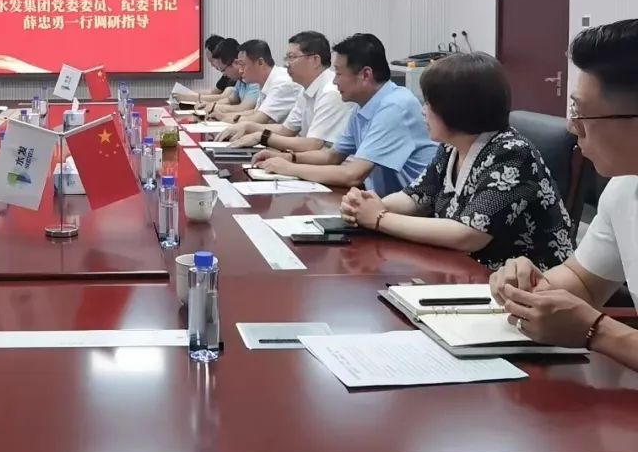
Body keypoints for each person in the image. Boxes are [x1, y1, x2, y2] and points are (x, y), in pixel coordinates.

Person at [490, 20, 638, 369]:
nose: (572, 127)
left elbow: (592, 322)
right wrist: (528, 287)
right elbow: (583, 282)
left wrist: (598, 331)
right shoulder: (625, 188)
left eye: (582, 113)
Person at [340, 52, 573, 270]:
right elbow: (417, 196)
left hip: (523, 283)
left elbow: (469, 234)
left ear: (457, 109)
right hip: (462, 269)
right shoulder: (452, 147)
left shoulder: (512, 153)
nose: (423, 111)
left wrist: (380, 218)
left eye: (430, 104)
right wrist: (367, 205)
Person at [251, 33, 436, 196]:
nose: (334, 81)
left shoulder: (394, 106)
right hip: (386, 200)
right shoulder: (362, 106)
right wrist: (289, 158)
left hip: (416, 208)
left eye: (339, 73)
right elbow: (332, 156)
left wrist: (290, 168)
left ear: (365, 75)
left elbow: (352, 175)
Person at [230, 31, 352, 153]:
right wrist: (249, 127)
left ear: (315, 60)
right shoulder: (306, 88)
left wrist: (262, 137)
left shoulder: (331, 92)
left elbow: (312, 144)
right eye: (286, 58)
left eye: (292, 57)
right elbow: (286, 130)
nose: (286, 64)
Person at [217, 39, 302, 135]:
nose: (240, 71)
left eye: (243, 65)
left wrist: (229, 119)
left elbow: (258, 119)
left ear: (260, 62)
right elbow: (255, 112)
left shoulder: (282, 83)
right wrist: (223, 116)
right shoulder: (264, 81)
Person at [199, 38, 260, 115]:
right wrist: (210, 105)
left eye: (223, 70)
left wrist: (215, 108)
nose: (224, 74)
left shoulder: (253, 78)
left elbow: (244, 108)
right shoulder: (240, 79)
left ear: (235, 63)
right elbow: (232, 100)